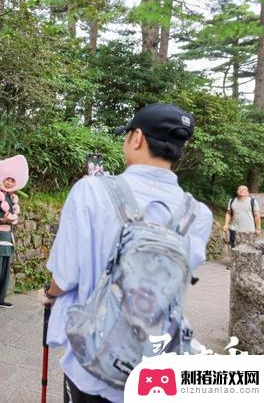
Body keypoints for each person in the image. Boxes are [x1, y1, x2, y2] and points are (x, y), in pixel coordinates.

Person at [38, 104, 213, 402]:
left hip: (92, 361)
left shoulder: (91, 191)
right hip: (154, 364)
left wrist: (50, 293)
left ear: (137, 139)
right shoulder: (197, 214)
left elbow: (66, 275)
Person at [0, 155, 28, 315]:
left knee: (4, 269)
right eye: (6, 179)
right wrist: (1, 219)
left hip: (8, 235)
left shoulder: (11, 197)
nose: (8, 183)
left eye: (12, 181)